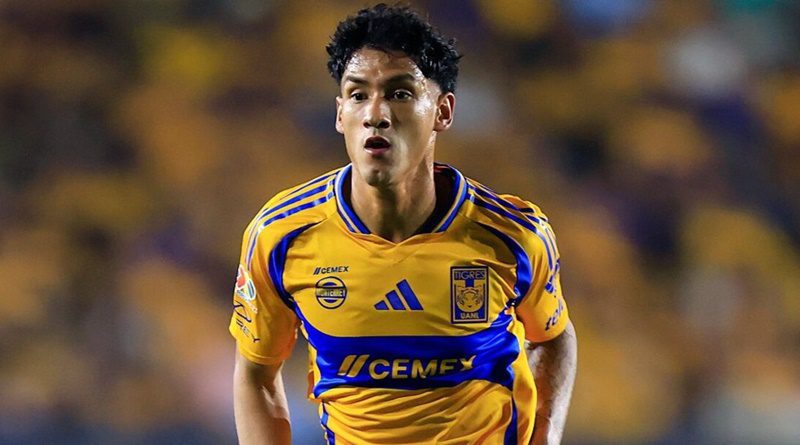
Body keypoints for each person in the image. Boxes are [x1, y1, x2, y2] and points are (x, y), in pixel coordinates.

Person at [230, 4, 577, 444]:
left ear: (443, 112)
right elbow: (256, 373)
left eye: (399, 93)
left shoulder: (513, 236)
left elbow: (552, 336)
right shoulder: (281, 236)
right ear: (340, 114)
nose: (376, 113)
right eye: (358, 95)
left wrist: (546, 435)